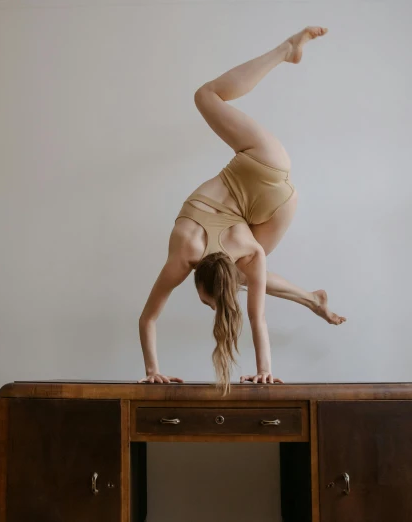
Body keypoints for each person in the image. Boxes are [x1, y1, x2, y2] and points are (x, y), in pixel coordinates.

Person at [139, 27, 345, 392]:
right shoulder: (187, 249)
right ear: (197, 279)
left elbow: (257, 318)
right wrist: (152, 369)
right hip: (261, 167)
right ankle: (286, 50)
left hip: (281, 204)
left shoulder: (246, 253)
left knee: (248, 278)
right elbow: (147, 320)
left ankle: (314, 299)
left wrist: (265, 369)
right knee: (206, 96)